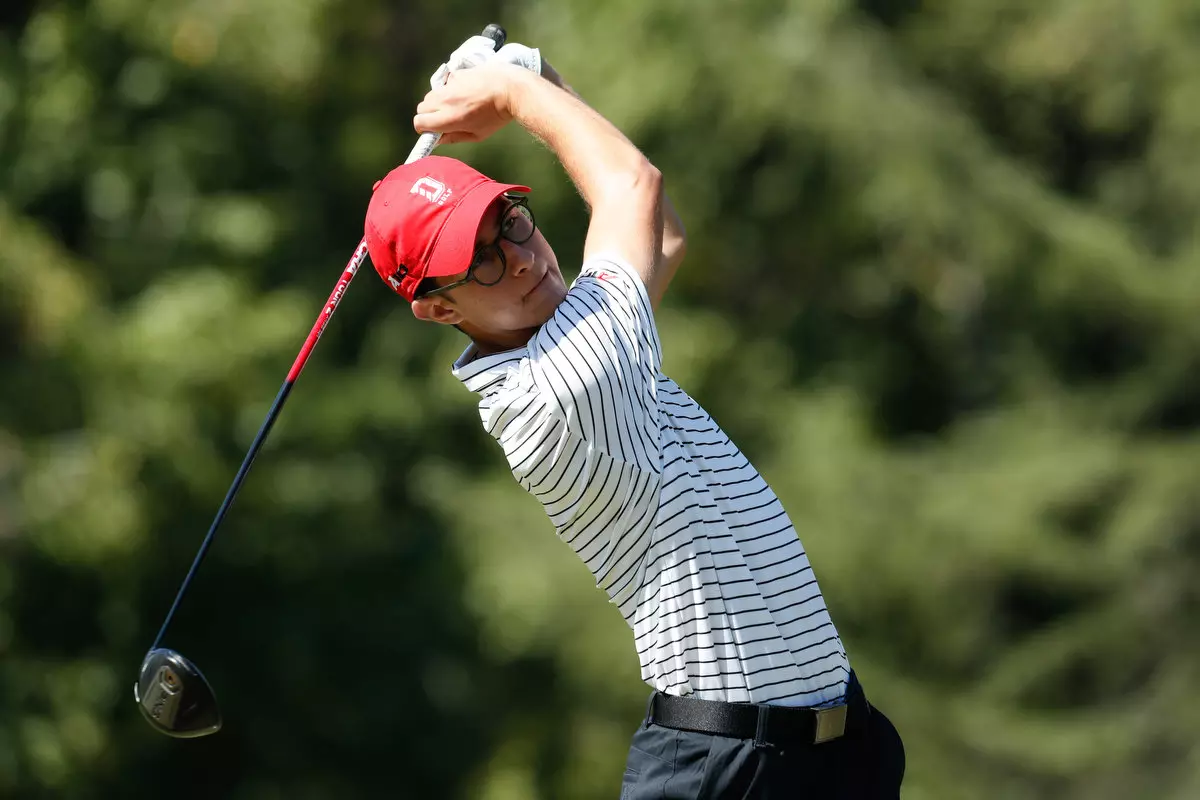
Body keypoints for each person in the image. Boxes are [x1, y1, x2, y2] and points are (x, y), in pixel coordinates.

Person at [363, 51, 906, 799]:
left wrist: (545, 78)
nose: (521, 260)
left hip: (830, 749)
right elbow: (633, 186)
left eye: (511, 222)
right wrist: (518, 89)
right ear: (438, 309)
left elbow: (666, 236)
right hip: (727, 767)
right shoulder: (562, 385)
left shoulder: (578, 334)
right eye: (480, 262)